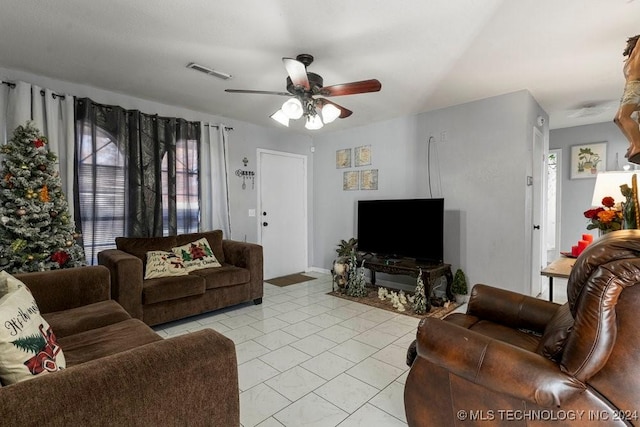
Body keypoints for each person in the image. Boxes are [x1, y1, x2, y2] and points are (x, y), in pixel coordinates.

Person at [615, 34, 640, 164]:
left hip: (635, 86)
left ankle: (638, 145)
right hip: (629, 89)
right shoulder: (631, 60)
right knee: (617, 119)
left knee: (623, 117)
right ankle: (633, 143)